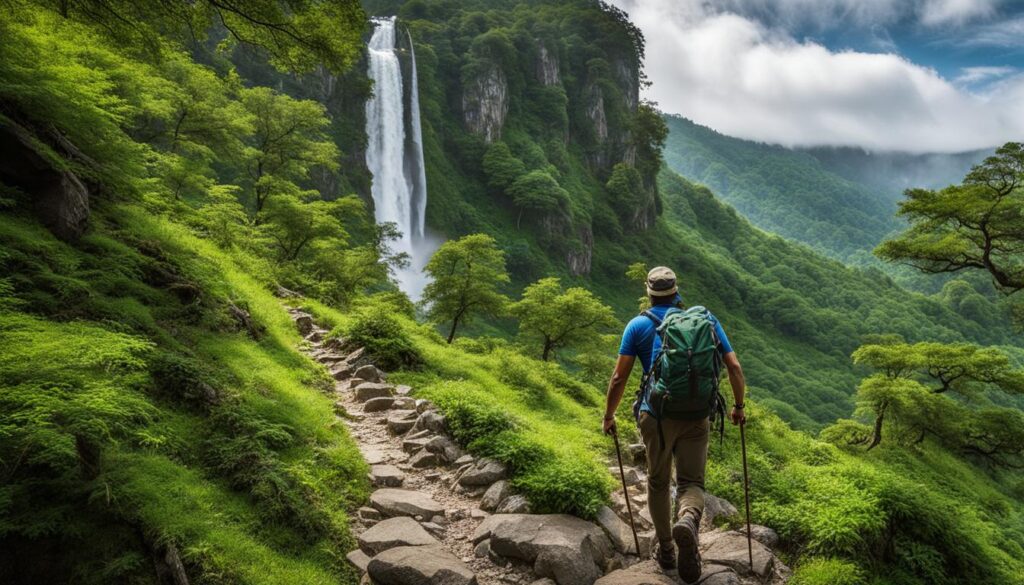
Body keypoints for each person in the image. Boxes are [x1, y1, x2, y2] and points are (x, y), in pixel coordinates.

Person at [603, 266, 747, 583]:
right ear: (676, 291)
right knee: (691, 483)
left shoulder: (637, 325)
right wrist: (737, 407)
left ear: (649, 291)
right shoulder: (705, 321)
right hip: (696, 414)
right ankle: (688, 518)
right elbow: (733, 366)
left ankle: (667, 549)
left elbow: (618, 378)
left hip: (655, 415)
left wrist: (609, 415)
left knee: (657, 481)